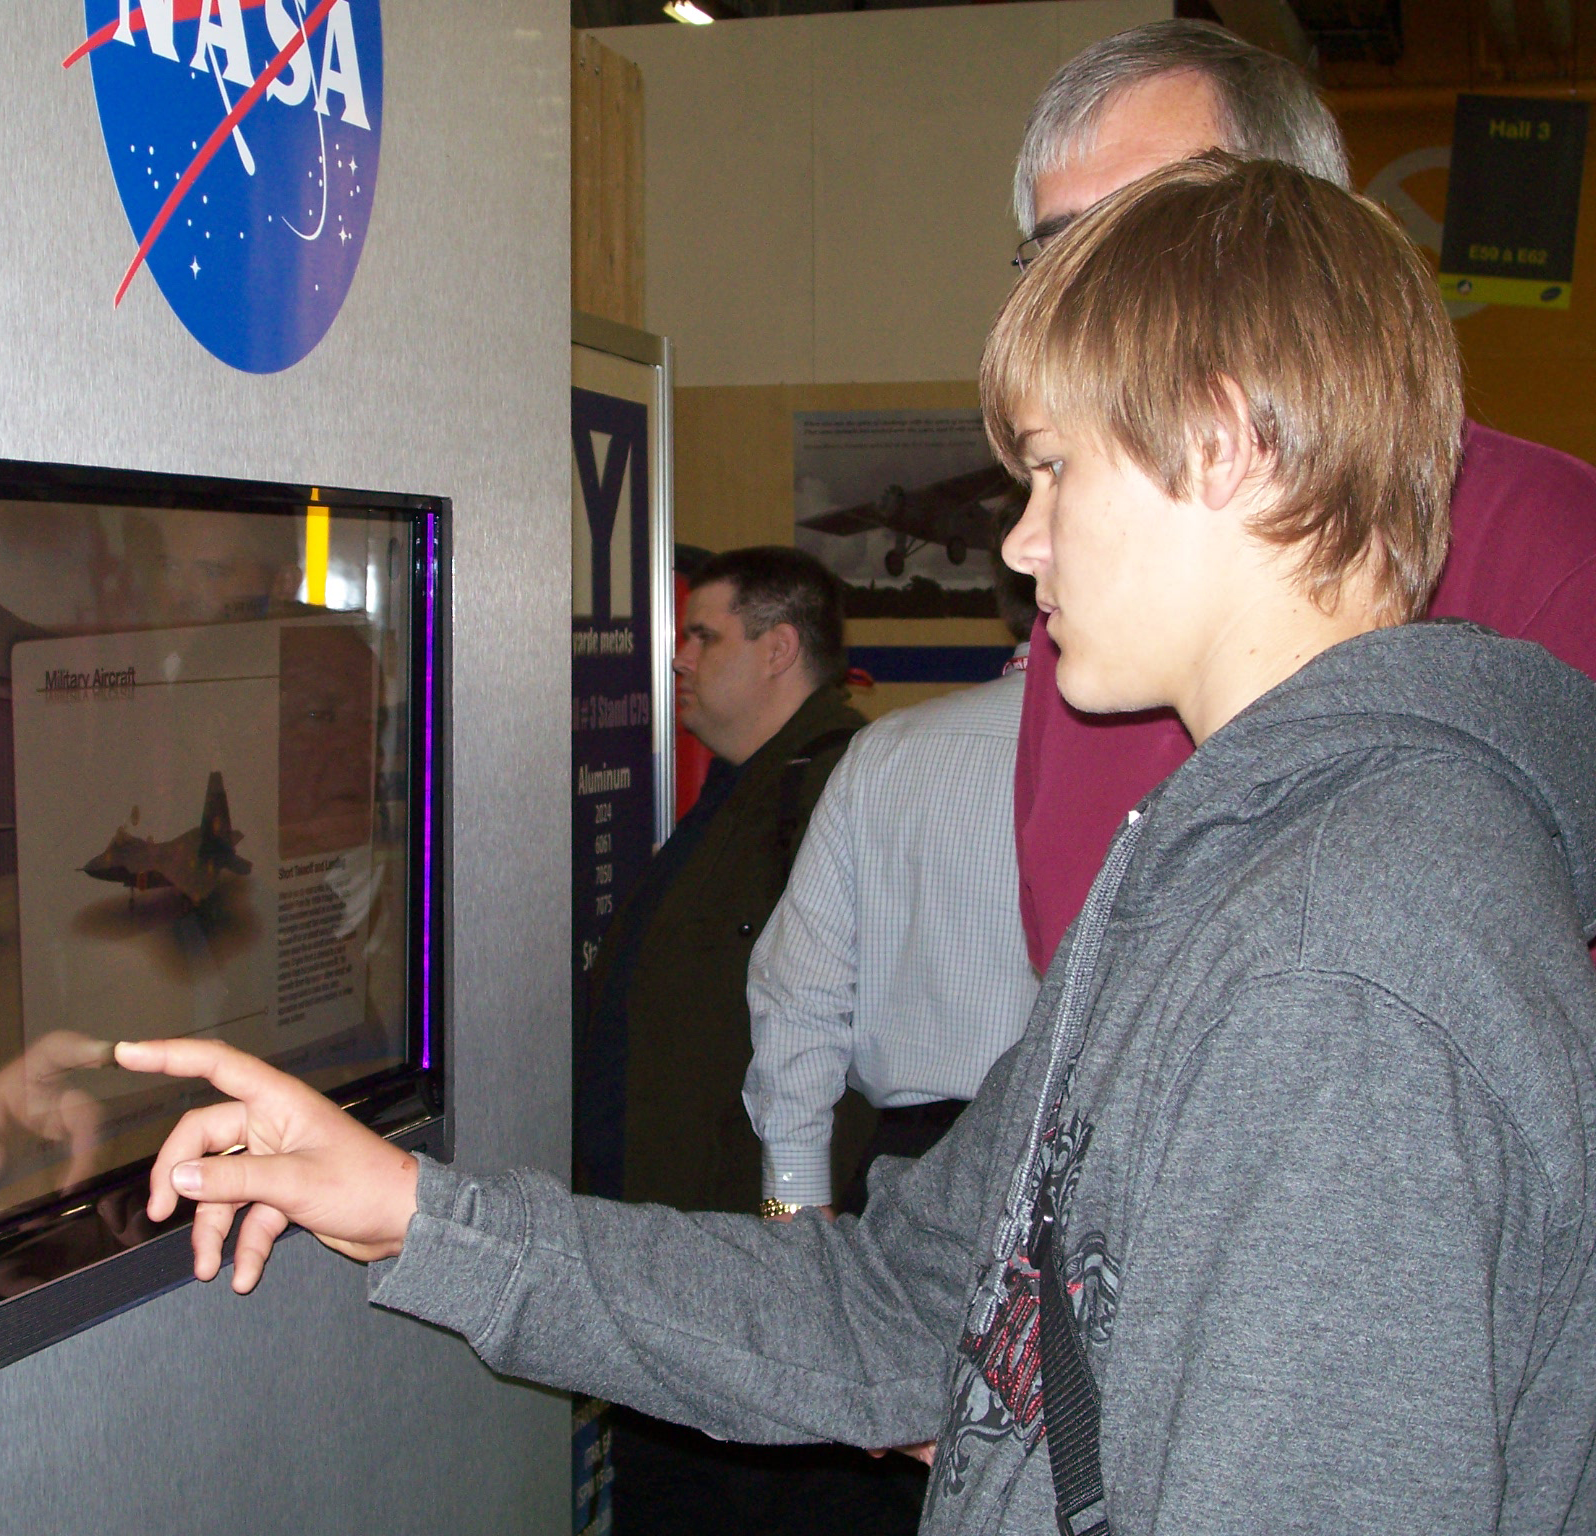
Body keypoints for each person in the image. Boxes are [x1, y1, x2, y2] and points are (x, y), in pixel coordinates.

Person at [118, 155, 1596, 1535]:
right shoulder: (1232, 874)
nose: (1021, 542)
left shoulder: (1346, 964)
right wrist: (416, 1215)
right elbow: (900, 1309)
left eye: (1056, 471)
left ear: (1220, 444)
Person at [1006, 17, 1596, 972]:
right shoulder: (1087, 596)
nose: (1085, 293)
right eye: (1057, 254)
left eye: (1150, 228)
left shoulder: (1556, 547)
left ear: (1305, 234)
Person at [743, 533, 1040, 1220]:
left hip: (910, 1176)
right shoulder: (1191, 760)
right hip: (1105, 1184)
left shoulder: (888, 751)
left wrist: (791, 1202)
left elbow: (798, 994)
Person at [574, 545, 868, 1216]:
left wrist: (786, 1210)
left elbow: (833, 1026)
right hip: (664, 1213)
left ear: (778, 649)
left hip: (735, 1229)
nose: (680, 657)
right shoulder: (746, 786)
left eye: (702, 636)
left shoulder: (838, 790)